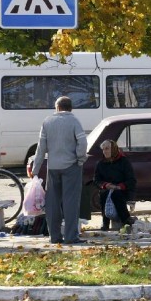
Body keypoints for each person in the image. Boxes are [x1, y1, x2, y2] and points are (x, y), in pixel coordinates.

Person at [35, 96, 88, 244]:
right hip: (71, 166)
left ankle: (55, 236)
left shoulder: (47, 122)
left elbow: (41, 149)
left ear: (57, 107)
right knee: (70, 202)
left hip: (52, 167)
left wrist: (35, 169)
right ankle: (71, 236)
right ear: (71, 108)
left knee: (52, 203)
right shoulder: (74, 121)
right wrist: (80, 158)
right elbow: (82, 142)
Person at [94, 139, 136, 230]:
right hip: (107, 189)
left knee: (116, 194)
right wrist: (105, 185)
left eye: (107, 149)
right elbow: (96, 180)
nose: (105, 151)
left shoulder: (123, 161)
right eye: (103, 149)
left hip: (122, 189)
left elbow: (131, 180)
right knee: (104, 194)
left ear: (113, 149)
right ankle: (105, 223)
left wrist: (119, 186)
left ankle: (126, 220)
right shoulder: (101, 164)